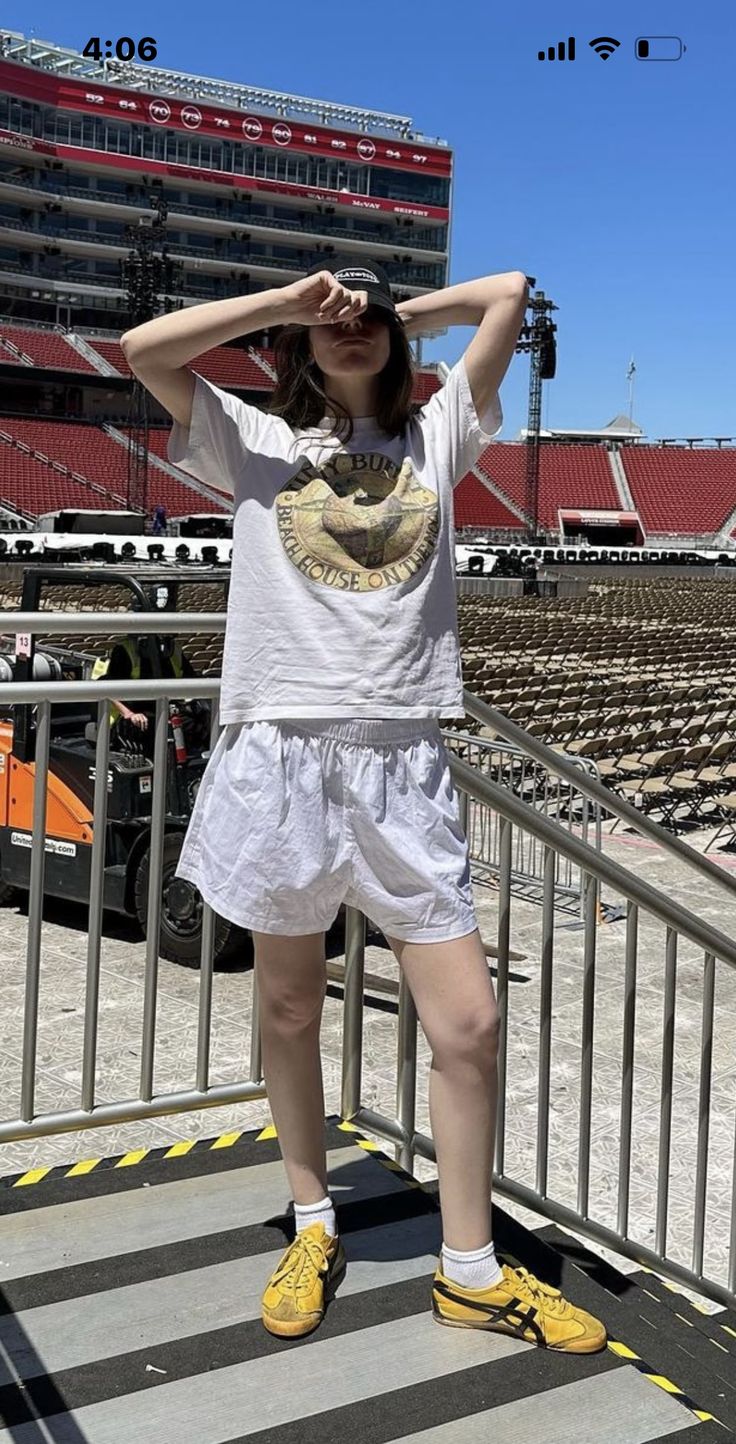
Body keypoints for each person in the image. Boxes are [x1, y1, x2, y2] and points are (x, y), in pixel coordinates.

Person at [120, 257, 606, 1352]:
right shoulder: (255, 440)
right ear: (298, 347)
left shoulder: (441, 435)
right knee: (289, 1008)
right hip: (279, 753)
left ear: (396, 341)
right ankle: (312, 1216)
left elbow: (512, 289)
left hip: (400, 759)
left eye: (372, 322)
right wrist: (292, 303)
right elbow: (145, 352)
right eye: (332, 323)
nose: (353, 331)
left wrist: (383, 308)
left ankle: (470, 1267)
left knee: (468, 1022)